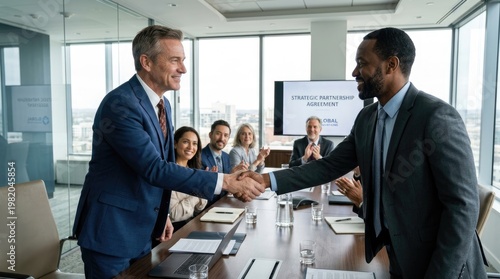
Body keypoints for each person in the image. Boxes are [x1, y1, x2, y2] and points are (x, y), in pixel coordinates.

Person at [243, 27, 487, 278]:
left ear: (391, 64)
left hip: (441, 265)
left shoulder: (436, 116)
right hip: (397, 256)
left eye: (362, 64)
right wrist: (266, 180)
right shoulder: (367, 118)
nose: (354, 72)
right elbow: (329, 166)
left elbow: (462, 207)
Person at [72, 25, 264, 279]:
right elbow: (154, 168)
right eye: (175, 60)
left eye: (183, 61)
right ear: (146, 62)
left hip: (143, 228)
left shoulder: (164, 105)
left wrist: (162, 215)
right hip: (112, 232)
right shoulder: (120, 105)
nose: (183, 69)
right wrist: (225, 181)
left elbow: (164, 164)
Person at [169, 126, 208, 232]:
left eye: (194, 143)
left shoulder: (193, 171)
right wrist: (198, 193)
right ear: (175, 144)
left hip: (190, 226)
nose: (191, 147)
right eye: (186, 142)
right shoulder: (168, 173)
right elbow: (174, 214)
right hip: (174, 231)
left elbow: (199, 207)